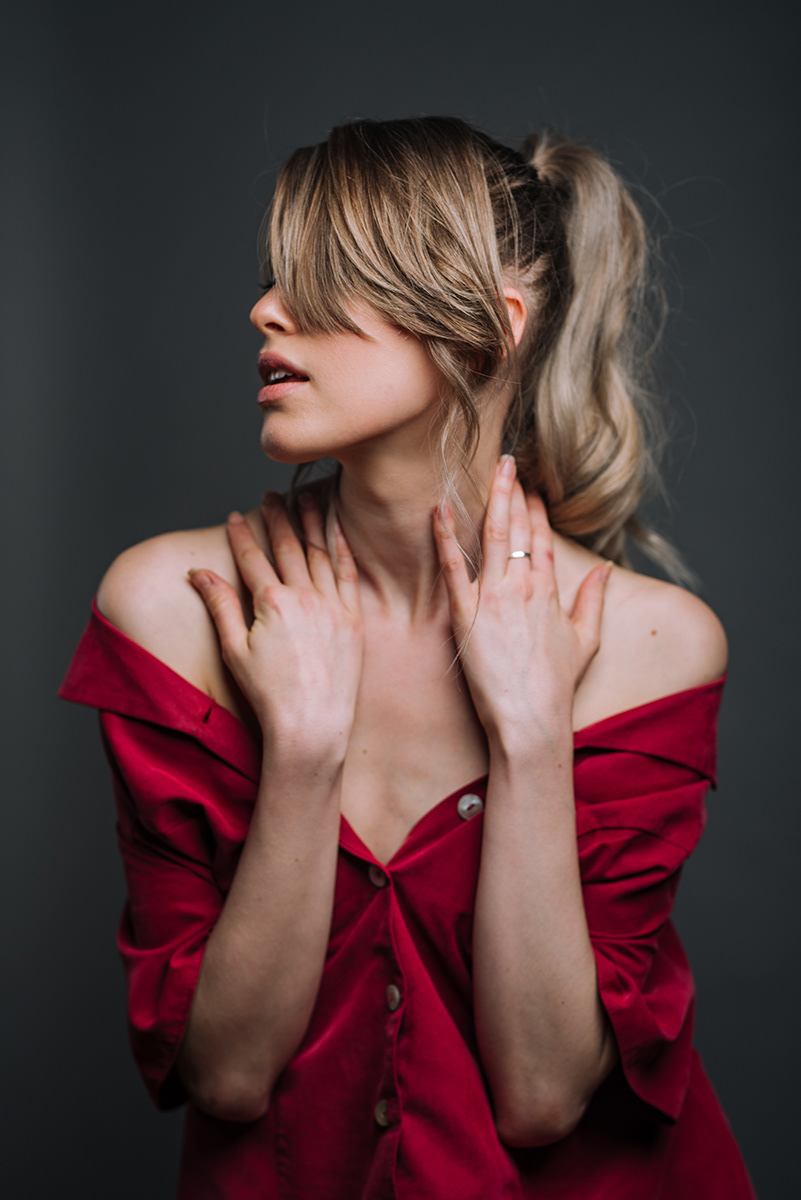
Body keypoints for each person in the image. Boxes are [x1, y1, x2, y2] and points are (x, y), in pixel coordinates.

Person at [60, 116, 756, 1198]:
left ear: (488, 330)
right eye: (275, 276)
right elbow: (227, 1076)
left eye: (328, 278)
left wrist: (531, 735)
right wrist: (304, 749)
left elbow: (542, 1095)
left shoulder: (649, 646)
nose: (265, 310)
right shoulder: (174, 612)